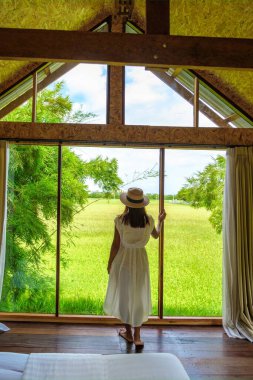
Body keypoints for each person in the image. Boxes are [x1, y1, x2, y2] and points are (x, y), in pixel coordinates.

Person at [103, 187, 166, 348]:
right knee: (138, 295)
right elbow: (156, 235)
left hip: (123, 260)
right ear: (142, 204)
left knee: (125, 295)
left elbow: (115, 245)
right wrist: (160, 221)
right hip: (140, 261)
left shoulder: (120, 220)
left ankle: (128, 334)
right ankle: (138, 336)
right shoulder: (149, 220)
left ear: (127, 203)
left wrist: (110, 263)